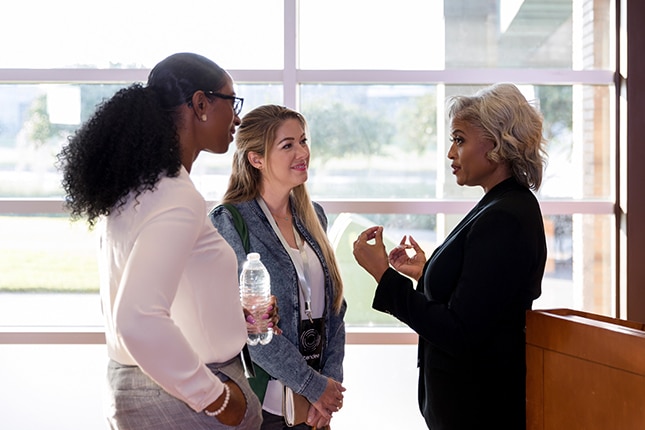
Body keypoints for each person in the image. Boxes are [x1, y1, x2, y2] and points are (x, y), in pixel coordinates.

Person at [56, 52, 275, 429]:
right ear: (201, 104)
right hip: (182, 399)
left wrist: (229, 315)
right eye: (231, 102)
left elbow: (165, 297)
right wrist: (216, 398)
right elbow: (137, 318)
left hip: (148, 387)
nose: (237, 117)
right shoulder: (177, 196)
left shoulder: (138, 190)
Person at [353, 83, 548, 429]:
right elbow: (482, 298)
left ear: (496, 145)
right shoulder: (499, 204)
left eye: (459, 139)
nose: (450, 153)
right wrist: (426, 272)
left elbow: (460, 331)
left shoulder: (505, 216)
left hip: (479, 412)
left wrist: (385, 276)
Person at [210, 105, 346, 430]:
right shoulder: (230, 221)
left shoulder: (314, 216)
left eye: (303, 140)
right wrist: (313, 386)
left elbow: (335, 310)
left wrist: (328, 385)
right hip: (263, 407)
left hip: (312, 408)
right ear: (256, 159)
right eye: (288, 145)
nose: (303, 152)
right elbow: (250, 326)